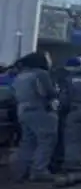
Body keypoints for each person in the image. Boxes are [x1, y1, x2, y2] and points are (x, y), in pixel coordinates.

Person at [11, 52, 58, 181]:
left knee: (28, 142)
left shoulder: (20, 76)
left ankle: (22, 171)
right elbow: (49, 92)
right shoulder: (41, 74)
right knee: (46, 140)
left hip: (22, 111)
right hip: (39, 110)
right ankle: (39, 170)